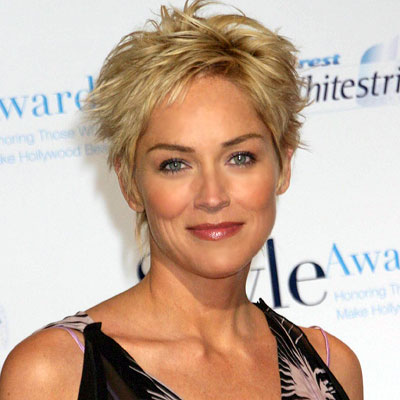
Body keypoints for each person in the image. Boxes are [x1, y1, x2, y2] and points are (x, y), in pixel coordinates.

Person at [0, 1, 363, 399]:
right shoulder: (55, 373)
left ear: (284, 166)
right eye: (175, 164)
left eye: (240, 157)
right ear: (129, 183)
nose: (212, 196)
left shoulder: (331, 366)